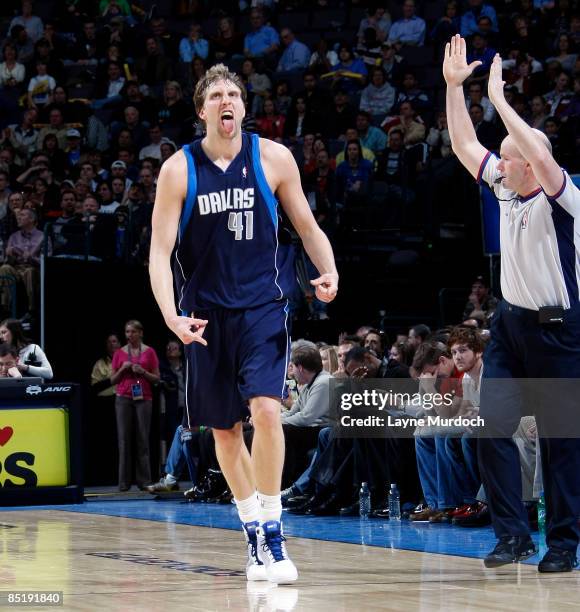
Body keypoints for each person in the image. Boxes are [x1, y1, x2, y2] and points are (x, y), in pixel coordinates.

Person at [149, 64, 338, 584]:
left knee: (267, 412)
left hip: (263, 305)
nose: (227, 101)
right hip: (204, 314)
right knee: (225, 432)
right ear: (202, 109)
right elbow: (159, 254)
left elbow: (306, 224)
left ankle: (274, 534)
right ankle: (251, 530)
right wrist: (170, 314)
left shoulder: (273, 157)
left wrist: (329, 270)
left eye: (234, 94)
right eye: (217, 96)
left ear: (243, 107)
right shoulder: (178, 170)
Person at [444, 34, 580, 573]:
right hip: (511, 329)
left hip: (560, 331)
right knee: (491, 429)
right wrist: (456, 89)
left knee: (561, 444)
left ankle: (565, 545)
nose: (498, 164)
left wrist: (500, 101)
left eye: (509, 157)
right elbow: (461, 146)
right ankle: (514, 536)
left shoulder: (565, 197)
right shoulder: (505, 184)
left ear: (531, 161)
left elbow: (540, 157)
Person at [110, 319, 160, 492]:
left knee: (142, 440)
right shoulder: (119, 353)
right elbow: (112, 380)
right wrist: (123, 369)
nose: (129, 335)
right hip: (123, 397)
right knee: (124, 440)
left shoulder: (149, 352)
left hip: (143, 398)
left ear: (140, 333)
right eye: (127, 332)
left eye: (132, 332)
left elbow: (157, 379)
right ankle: (123, 483)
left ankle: (144, 481)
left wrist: (143, 372)